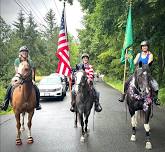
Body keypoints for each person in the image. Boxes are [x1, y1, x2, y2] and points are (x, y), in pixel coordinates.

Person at [118, 41, 160, 105]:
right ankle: (123, 96)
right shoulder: (139, 54)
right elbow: (134, 62)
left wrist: (141, 64)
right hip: (138, 72)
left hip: (146, 72)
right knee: (126, 82)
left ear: (147, 47)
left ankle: (156, 99)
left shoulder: (150, 54)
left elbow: (149, 62)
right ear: (141, 47)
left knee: (155, 85)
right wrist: (129, 58)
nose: (144, 47)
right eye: (143, 46)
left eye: (145, 46)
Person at [0, 46, 42, 111]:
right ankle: (5, 103)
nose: (24, 53)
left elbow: (33, 71)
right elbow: (17, 71)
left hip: (28, 79)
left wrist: (33, 80)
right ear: (20, 53)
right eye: (23, 52)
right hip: (19, 76)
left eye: (25, 52)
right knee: (10, 87)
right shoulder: (17, 60)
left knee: (36, 89)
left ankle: (38, 104)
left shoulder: (30, 61)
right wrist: (19, 78)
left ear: (27, 53)